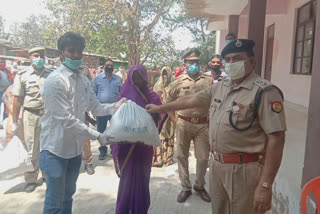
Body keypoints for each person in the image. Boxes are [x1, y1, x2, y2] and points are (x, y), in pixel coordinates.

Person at [146, 39, 287, 214]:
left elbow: (277, 139)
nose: (230, 63)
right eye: (227, 59)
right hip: (218, 166)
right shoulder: (221, 87)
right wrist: (160, 108)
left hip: (245, 171)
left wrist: (266, 185)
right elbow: (190, 100)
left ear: (252, 62)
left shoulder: (264, 92)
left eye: (236, 58)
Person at [39, 32, 125, 214]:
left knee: (68, 196)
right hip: (55, 150)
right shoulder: (55, 81)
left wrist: (115, 107)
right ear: (61, 53)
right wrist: (98, 136)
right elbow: (66, 120)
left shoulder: (84, 81)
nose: (77, 55)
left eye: (80, 51)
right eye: (72, 51)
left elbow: (96, 107)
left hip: (74, 150)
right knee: (54, 202)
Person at [111, 64, 166, 214]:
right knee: (126, 181)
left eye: (140, 78)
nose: (138, 82)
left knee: (142, 181)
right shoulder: (123, 97)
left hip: (143, 148)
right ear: (129, 79)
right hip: (125, 147)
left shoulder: (152, 97)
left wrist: (152, 115)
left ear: (145, 79)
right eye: (134, 78)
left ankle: (139, 210)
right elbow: (115, 121)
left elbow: (162, 115)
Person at [164, 48, 212, 203]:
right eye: (191, 62)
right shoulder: (177, 82)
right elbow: (168, 103)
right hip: (184, 122)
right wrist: (175, 120)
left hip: (203, 125)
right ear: (184, 64)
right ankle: (186, 187)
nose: (194, 64)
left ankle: (199, 185)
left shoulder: (208, 80)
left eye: (196, 62)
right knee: (182, 156)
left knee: (203, 157)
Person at [11, 47, 51, 192]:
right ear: (30, 58)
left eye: (42, 55)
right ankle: (31, 178)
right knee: (32, 148)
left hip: (48, 115)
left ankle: (47, 175)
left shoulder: (51, 74)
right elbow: (17, 99)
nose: (39, 58)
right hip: (30, 115)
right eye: (36, 55)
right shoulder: (23, 75)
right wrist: (15, 122)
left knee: (48, 147)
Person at [92, 58, 122, 160]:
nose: (109, 67)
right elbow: (93, 94)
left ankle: (114, 150)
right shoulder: (97, 79)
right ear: (103, 66)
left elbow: (121, 93)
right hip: (101, 109)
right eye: (107, 65)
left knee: (115, 130)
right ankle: (103, 151)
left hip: (114, 109)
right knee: (101, 131)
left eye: (111, 65)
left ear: (113, 67)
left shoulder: (118, 79)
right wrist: (93, 109)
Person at [152, 66, 176, 167]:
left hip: (171, 114)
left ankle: (168, 158)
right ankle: (159, 158)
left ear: (170, 74)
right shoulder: (157, 85)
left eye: (167, 74)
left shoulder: (174, 86)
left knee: (169, 136)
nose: (165, 76)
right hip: (160, 115)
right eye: (163, 74)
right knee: (159, 136)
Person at [2, 68, 24, 146]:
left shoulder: (12, 88)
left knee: (12, 138)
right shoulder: (13, 88)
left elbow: (5, 100)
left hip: (13, 116)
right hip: (18, 116)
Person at [0, 59, 13, 124]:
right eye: (1, 62)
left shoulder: (6, 70)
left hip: (6, 92)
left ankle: (5, 121)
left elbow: (11, 78)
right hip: (0, 92)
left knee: (7, 107)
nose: (2, 63)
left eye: (3, 62)